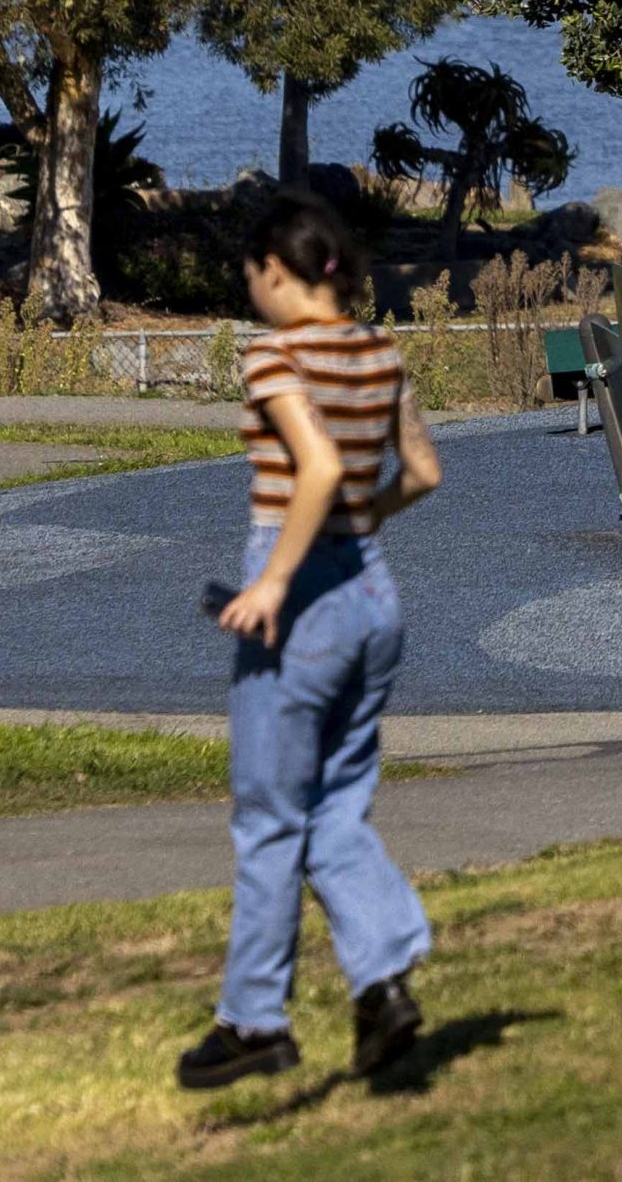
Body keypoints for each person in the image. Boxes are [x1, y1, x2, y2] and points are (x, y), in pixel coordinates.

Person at [176, 191, 444, 1091]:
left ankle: (254, 1017)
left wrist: (276, 583)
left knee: (268, 813)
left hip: (306, 602)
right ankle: (381, 978)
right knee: (334, 803)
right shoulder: (379, 348)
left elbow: (318, 465)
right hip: (374, 591)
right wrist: (354, 522)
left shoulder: (273, 354)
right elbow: (423, 471)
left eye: (252, 276)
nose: (251, 292)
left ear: (277, 272)